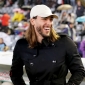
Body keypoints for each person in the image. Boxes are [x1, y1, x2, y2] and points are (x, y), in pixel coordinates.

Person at [9, 4, 85, 85]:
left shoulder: (65, 42)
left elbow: (79, 71)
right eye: (44, 19)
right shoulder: (22, 45)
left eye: (51, 19)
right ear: (32, 21)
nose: (49, 23)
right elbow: (15, 73)